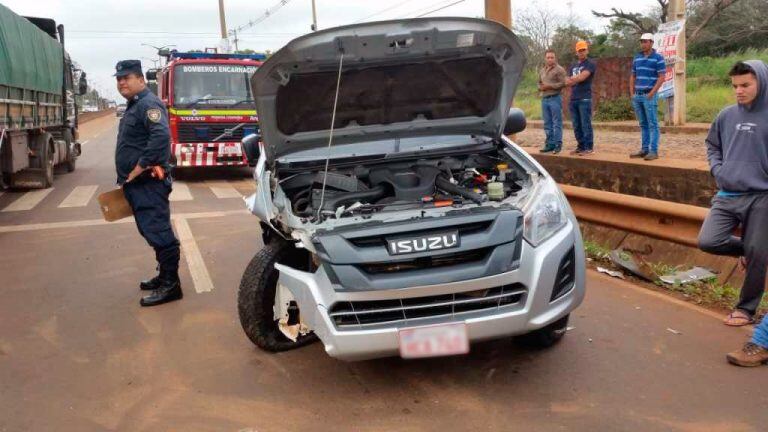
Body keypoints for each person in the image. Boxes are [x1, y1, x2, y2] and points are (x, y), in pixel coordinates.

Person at [698, 60, 768, 328]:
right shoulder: (727, 115)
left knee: (758, 251)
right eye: (735, 86)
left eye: (745, 85)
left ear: (761, 81)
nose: (739, 91)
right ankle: (752, 249)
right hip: (728, 193)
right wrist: (718, 170)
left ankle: (746, 308)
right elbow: (712, 145)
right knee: (708, 240)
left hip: (762, 195)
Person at [114, 59, 182, 307]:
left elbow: (161, 136)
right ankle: (164, 276)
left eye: (127, 77)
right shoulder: (135, 105)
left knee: (159, 232)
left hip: (148, 182)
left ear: (140, 80)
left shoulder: (149, 104)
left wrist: (140, 166)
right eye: (119, 79)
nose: (122, 82)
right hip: (137, 185)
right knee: (150, 230)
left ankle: (171, 285)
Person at [629, 33, 666, 161]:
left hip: (649, 95)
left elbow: (662, 77)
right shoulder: (637, 58)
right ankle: (644, 149)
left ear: (651, 42)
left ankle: (653, 151)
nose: (643, 44)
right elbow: (633, 76)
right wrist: (632, 93)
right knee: (643, 124)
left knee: (653, 124)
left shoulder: (658, 58)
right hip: (638, 95)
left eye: (645, 41)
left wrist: (652, 93)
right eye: (641, 41)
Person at [565, 40, 597, 156]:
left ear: (587, 50)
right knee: (576, 124)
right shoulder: (573, 65)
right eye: (580, 51)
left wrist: (573, 79)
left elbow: (582, 77)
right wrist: (573, 79)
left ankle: (589, 147)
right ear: (576, 52)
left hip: (585, 98)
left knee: (585, 123)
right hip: (574, 98)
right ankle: (580, 146)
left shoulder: (590, 63)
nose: (582, 52)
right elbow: (567, 82)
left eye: (584, 50)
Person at [538, 49, 567, 154]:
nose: (550, 59)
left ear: (555, 58)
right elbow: (539, 82)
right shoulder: (542, 70)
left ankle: (558, 145)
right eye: (548, 57)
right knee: (547, 123)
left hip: (555, 98)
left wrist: (550, 86)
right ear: (545, 58)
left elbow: (564, 83)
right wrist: (540, 87)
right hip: (544, 99)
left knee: (556, 123)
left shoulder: (560, 70)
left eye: (552, 57)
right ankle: (550, 144)